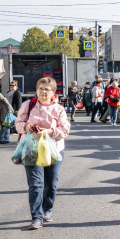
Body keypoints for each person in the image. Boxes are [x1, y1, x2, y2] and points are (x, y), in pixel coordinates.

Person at [14, 77, 71, 230]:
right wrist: (27, 127)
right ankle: (36, 218)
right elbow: (18, 124)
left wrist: (50, 132)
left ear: (53, 92)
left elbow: (65, 130)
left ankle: (47, 210)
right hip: (31, 150)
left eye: (47, 89)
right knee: (35, 184)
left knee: (50, 184)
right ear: (36, 90)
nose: (43, 91)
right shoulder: (28, 105)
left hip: (54, 150)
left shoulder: (58, 109)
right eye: (41, 88)